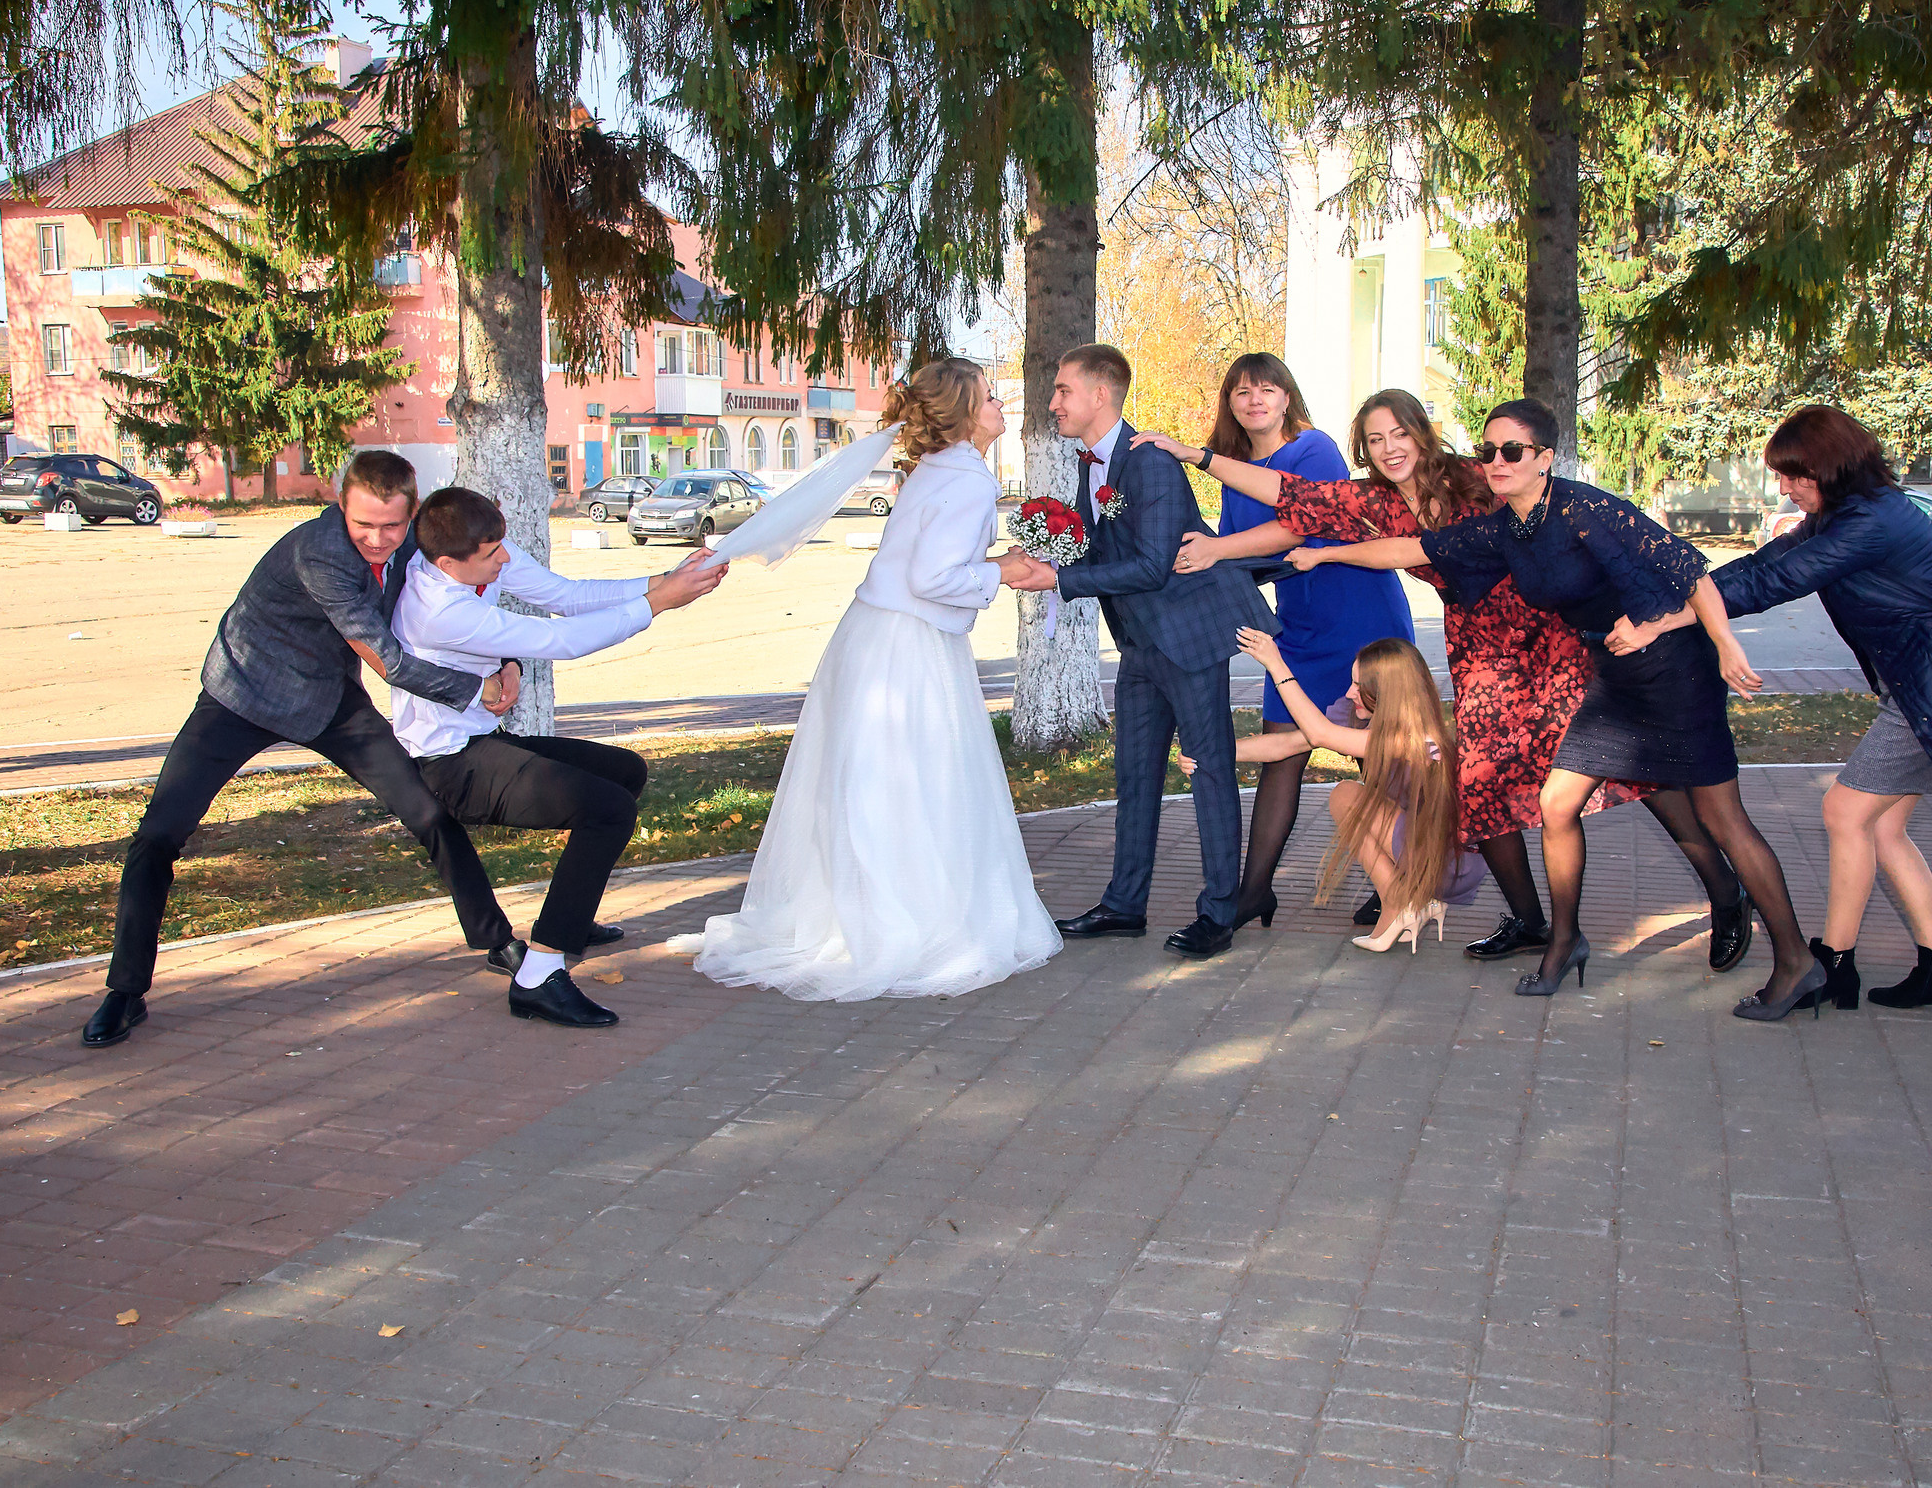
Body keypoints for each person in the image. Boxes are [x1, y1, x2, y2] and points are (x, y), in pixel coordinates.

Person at [1147, 390, 1758, 973]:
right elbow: (1289, 491)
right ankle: (1529, 922)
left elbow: (1557, 516)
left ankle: (1725, 891)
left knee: (1632, 768)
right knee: (1479, 783)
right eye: (1375, 440)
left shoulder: (1476, 474)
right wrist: (1196, 455)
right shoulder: (1375, 503)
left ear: (1421, 433)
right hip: (1480, 648)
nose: (1390, 448)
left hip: (1549, 638)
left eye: (1399, 433)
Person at [1292, 399, 1813, 1008]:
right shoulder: (1507, 528)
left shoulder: (1583, 508)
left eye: (1512, 451)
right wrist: (1325, 553)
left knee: (1719, 816)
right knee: (1558, 803)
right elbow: (1409, 550)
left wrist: (1725, 645)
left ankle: (1782, 949)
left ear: (1544, 457)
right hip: (1613, 672)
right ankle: (1563, 942)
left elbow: (1690, 569)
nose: (1496, 461)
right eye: (1488, 450)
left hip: (1674, 669)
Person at [80, 451, 525, 1049]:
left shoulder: (415, 546)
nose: (377, 539)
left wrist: (508, 659)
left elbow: (456, 606)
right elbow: (387, 658)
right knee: (159, 834)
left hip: (328, 700)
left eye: (392, 526)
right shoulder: (319, 552)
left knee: (427, 812)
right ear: (341, 505)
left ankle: (497, 941)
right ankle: (125, 991)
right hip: (243, 694)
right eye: (363, 523)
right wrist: (478, 688)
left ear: (412, 514)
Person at [673, 359, 1065, 999]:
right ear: (965, 414)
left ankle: (850, 912)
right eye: (990, 397)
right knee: (912, 779)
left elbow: (925, 561)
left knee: (868, 779)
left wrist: (994, 562)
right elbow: (932, 578)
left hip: (876, 634)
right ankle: (906, 921)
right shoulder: (966, 480)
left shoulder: (936, 470)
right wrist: (1003, 572)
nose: (1000, 406)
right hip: (909, 646)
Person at [1716, 407, 1932, 1021]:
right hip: (1925, 684)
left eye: (1795, 475)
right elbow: (1763, 564)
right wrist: (1687, 589)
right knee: (1882, 829)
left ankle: (1831, 965)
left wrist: (1674, 614)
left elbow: (1774, 584)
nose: (1786, 488)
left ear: (1831, 468)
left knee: (1844, 812)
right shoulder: (1849, 513)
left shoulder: (1870, 523)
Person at [388, 487, 729, 1027]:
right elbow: (561, 639)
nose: (504, 559)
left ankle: (570, 913)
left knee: (624, 772)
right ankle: (538, 977)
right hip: (451, 767)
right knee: (609, 811)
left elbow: (565, 596)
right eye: (491, 554)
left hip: (481, 741)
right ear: (449, 563)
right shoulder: (438, 610)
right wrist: (660, 602)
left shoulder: (473, 549)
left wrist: (665, 580)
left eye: (501, 544)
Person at [1005, 343, 1279, 961]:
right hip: (1139, 644)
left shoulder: (1148, 461)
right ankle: (1124, 905)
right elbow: (1103, 545)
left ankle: (1219, 913)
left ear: (1100, 395)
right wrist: (1044, 550)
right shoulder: (1092, 461)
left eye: (1063, 390)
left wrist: (1059, 580)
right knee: (1134, 775)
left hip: (1187, 639)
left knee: (1209, 771)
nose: (1054, 403)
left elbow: (1154, 566)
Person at [1201, 353, 1415, 926]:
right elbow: (1238, 555)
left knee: (1379, 759)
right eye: (1242, 392)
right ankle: (1254, 892)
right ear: (1230, 404)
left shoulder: (1312, 448)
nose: (1254, 401)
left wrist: (1215, 551)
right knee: (1282, 754)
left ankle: (1398, 880)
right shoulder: (1236, 471)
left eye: (1266, 389)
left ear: (1287, 397)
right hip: (1297, 625)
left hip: (1359, 613)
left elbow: (1300, 525)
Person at [1190, 631, 1486, 949]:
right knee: (1350, 795)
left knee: (1346, 796)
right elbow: (1285, 744)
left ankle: (1398, 901)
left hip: (1449, 863)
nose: (1349, 692)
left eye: (1359, 686)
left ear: (1387, 693)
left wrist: (1276, 665)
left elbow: (1320, 733)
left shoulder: (1414, 739)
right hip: (1424, 849)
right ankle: (1408, 900)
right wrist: (1212, 754)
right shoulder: (1367, 719)